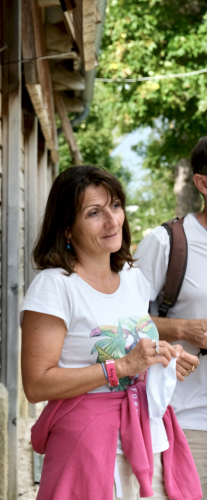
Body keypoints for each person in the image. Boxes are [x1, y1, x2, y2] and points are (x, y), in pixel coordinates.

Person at [21, 166, 202, 500]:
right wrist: (119, 368)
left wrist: (162, 357)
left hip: (149, 435)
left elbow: (131, 344)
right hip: (87, 445)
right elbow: (36, 384)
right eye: (94, 212)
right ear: (67, 228)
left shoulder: (133, 277)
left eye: (115, 206)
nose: (112, 220)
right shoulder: (54, 287)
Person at [134, 136, 207, 494]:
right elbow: (121, 323)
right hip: (187, 420)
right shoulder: (167, 243)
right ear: (203, 183)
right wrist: (183, 329)